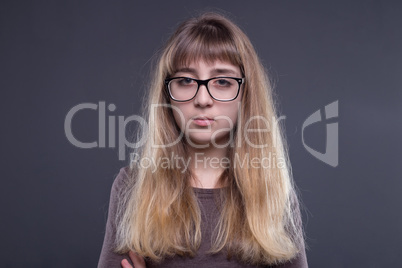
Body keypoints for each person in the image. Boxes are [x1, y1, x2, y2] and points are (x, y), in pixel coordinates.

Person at [98, 11, 308, 268]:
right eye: (186, 80)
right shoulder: (133, 187)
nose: (203, 99)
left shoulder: (274, 194)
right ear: (167, 94)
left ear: (246, 94)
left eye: (222, 81)